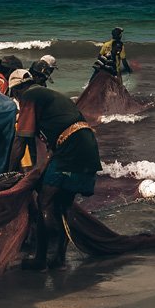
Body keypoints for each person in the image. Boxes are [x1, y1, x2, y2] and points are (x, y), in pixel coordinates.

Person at [10, 69, 103, 269]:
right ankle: (58, 258)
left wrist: (9, 174)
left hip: (71, 149)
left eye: (14, 94)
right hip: (87, 146)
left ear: (18, 89)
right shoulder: (50, 95)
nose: (16, 99)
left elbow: (21, 140)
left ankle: (41, 259)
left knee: (45, 202)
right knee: (62, 205)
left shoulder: (29, 96)